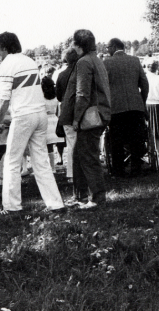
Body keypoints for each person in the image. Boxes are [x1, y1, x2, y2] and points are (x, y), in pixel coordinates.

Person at [0, 31, 64, 214]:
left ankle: (11, 206)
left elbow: (4, 99)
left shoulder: (7, 64)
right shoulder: (30, 61)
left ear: (5, 47)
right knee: (41, 162)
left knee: (12, 160)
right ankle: (55, 203)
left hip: (23, 116)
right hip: (39, 114)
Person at [68, 29, 111, 209]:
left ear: (77, 45)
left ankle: (97, 198)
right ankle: (81, 196)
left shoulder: (84, 62)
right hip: (101, 112)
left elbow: (82, 94)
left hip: (90, 116)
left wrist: (76, 118)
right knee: (79, 155)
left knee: (88, 157)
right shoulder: (97, 60)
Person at [103, 38, 150, 177]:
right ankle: (136, 167)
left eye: (107, 47)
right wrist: (141, 101)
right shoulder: (135, 60)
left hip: (116, 108)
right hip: (135, 107)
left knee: (117, 141)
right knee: (136, 139)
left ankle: (118, 170)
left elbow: (104, 87)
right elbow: (145, 85)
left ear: (114, 47)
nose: (107, 50)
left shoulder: (106, 63)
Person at [56, 47, 80, 184]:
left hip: (66, 112)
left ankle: (71, 174)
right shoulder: (81, 73)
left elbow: (59, 96)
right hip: (80, 112)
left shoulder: (61, 75)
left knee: (71, 143)